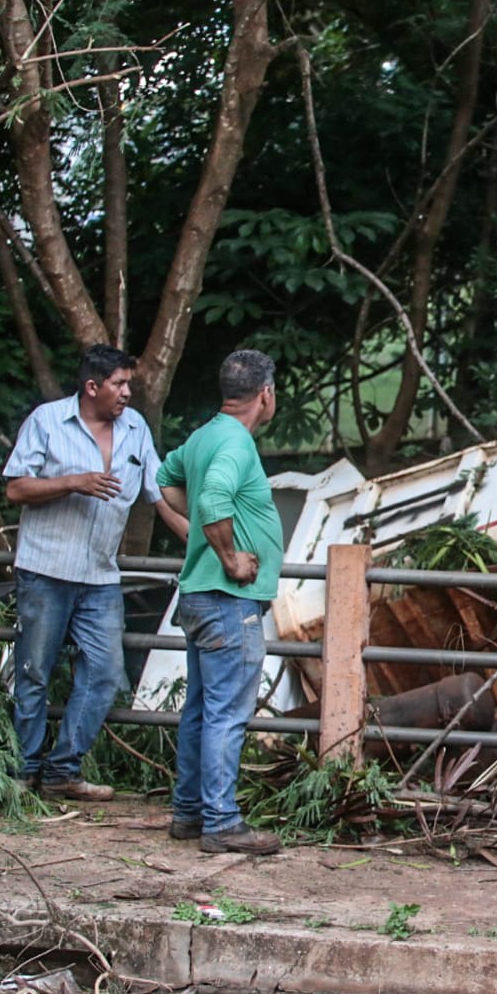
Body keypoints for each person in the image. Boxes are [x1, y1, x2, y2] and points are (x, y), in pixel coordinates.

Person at [3, 344, 189, 800]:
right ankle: (21, 772)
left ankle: (63, 770)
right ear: (92, 387)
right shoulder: (47, 421)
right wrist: (73, 481)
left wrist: (202, 540)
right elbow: (15, 488)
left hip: (102, 576)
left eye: (129, 384)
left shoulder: (135, 429)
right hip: (45, 569)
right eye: (119, 384)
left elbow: (158, 493)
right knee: (33, 671)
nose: (127, 393)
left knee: (105, 672)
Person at [157, 349, 284, 855]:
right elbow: (211, 498)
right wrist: (228, 555)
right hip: (229, 599)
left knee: (201, 711)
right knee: (228, 714)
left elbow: (167, 481)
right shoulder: (235, 444)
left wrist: (206, 540)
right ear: (265, 394)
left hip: (199, 598)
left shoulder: (204, 435)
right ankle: (222, 822)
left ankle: (190, 813)